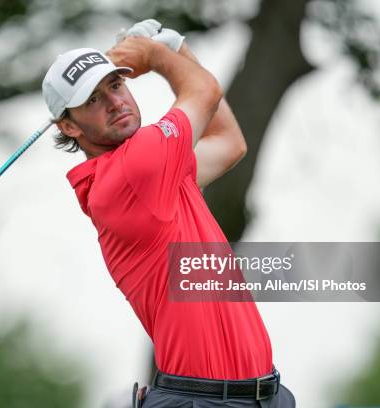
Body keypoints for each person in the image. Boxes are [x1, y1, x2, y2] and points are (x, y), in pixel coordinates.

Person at [42, 19, 296, 408]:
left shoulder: (156, 173)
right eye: (92, 99)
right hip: (201, 402)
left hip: (264, 395)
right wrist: (159, 55)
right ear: (67, 126)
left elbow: (229, 143)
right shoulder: (132, 172)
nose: (115, 102)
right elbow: (204, 91)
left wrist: (178, 51)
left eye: (115, 85)